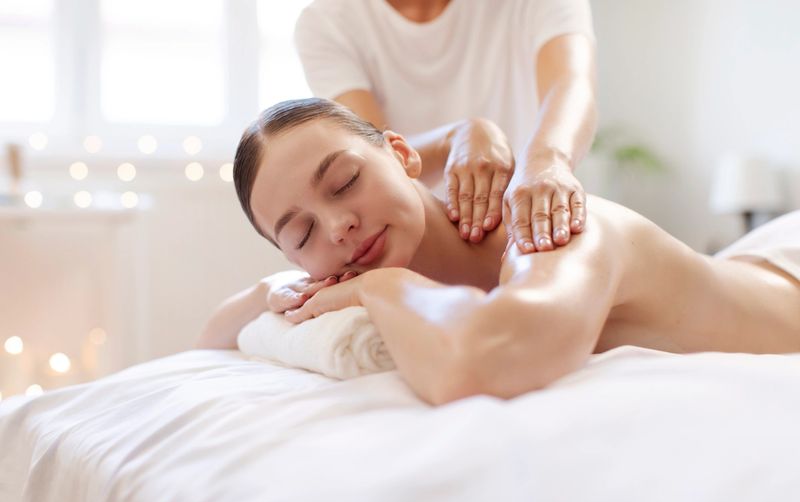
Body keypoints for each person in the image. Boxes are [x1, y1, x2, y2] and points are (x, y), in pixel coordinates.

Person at [196, 99, 800, 405]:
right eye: (302, 235)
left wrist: (375, 286)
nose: (338, 227)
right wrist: (271, 292)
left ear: (402, 156)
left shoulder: (546, 224)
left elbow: (485, 360)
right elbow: (211, 339)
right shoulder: (331, 270)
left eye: (345, 181)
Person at [294, 0, 597, 254]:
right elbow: (373, 155)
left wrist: (547, 162)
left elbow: (571, 83)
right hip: (420, 246)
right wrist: (456, 138)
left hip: (535, 213)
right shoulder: (327, 22)